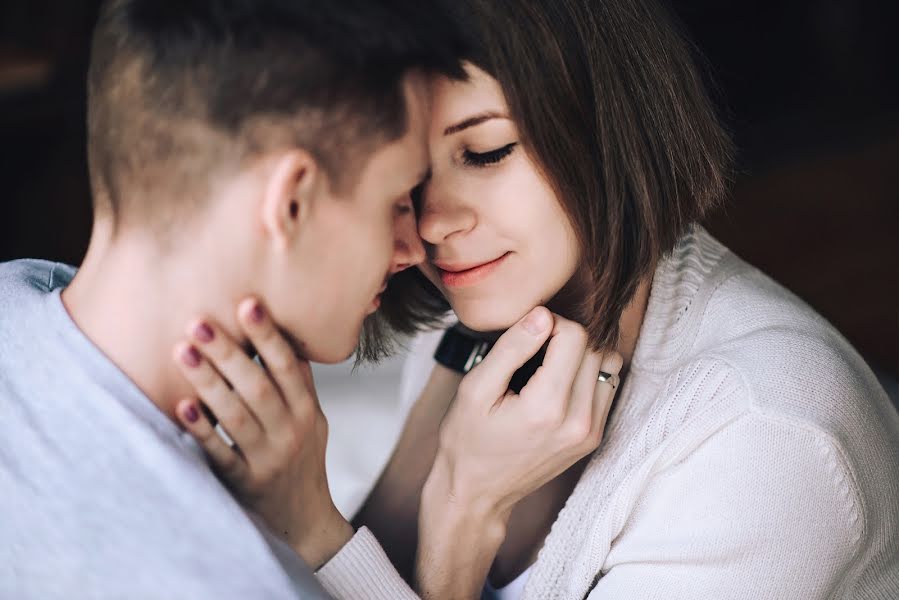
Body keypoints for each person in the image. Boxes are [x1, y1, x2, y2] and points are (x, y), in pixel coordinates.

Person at [180, 0, 899, 598]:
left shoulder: (766, 439)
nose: (433, 223)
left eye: (486, 152)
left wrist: (461, 511)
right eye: (408, 175)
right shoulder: (483, 315)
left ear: (606, 118)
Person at [2, 1, 622, 598]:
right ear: (291, 202)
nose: (417, 245)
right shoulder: (225, 581)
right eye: (399, 197)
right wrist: (466, 516)